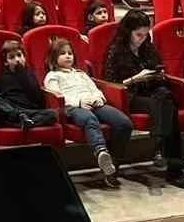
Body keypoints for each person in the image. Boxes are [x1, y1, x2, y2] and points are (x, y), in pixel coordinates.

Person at [101, 11, 184, 188]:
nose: (142, 39)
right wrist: (137, 78)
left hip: (153, 92)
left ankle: (160, 144)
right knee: (168, 108)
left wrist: (158, 75)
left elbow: (158, 69)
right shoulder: (116, 51)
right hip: (130, 96)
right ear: (128, 32)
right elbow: (111, 83)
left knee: (165, 99)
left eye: (145, 34)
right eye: (138, 35)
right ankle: (174, 167)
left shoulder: (148, 48)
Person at [43, 37, 130, 187]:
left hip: (94, 103)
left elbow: (95, 89)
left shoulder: (81, 74)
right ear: (53, 58)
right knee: (89, 119)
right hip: (73, 107)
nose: (68, 56)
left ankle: (111, 166)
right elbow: (56, 96)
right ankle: (100, 150)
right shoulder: (52, 76)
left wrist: (98, 99)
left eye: (70, 53)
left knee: (124, 123)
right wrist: (79, 102)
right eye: (63, 53)